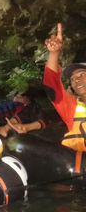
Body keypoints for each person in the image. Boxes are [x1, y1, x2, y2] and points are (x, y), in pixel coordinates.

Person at [44, 23, 86, 151]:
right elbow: (51, 85)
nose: (77, 79)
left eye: (83, 74)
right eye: (72, 79)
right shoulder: (71, 106)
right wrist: (54, 53)